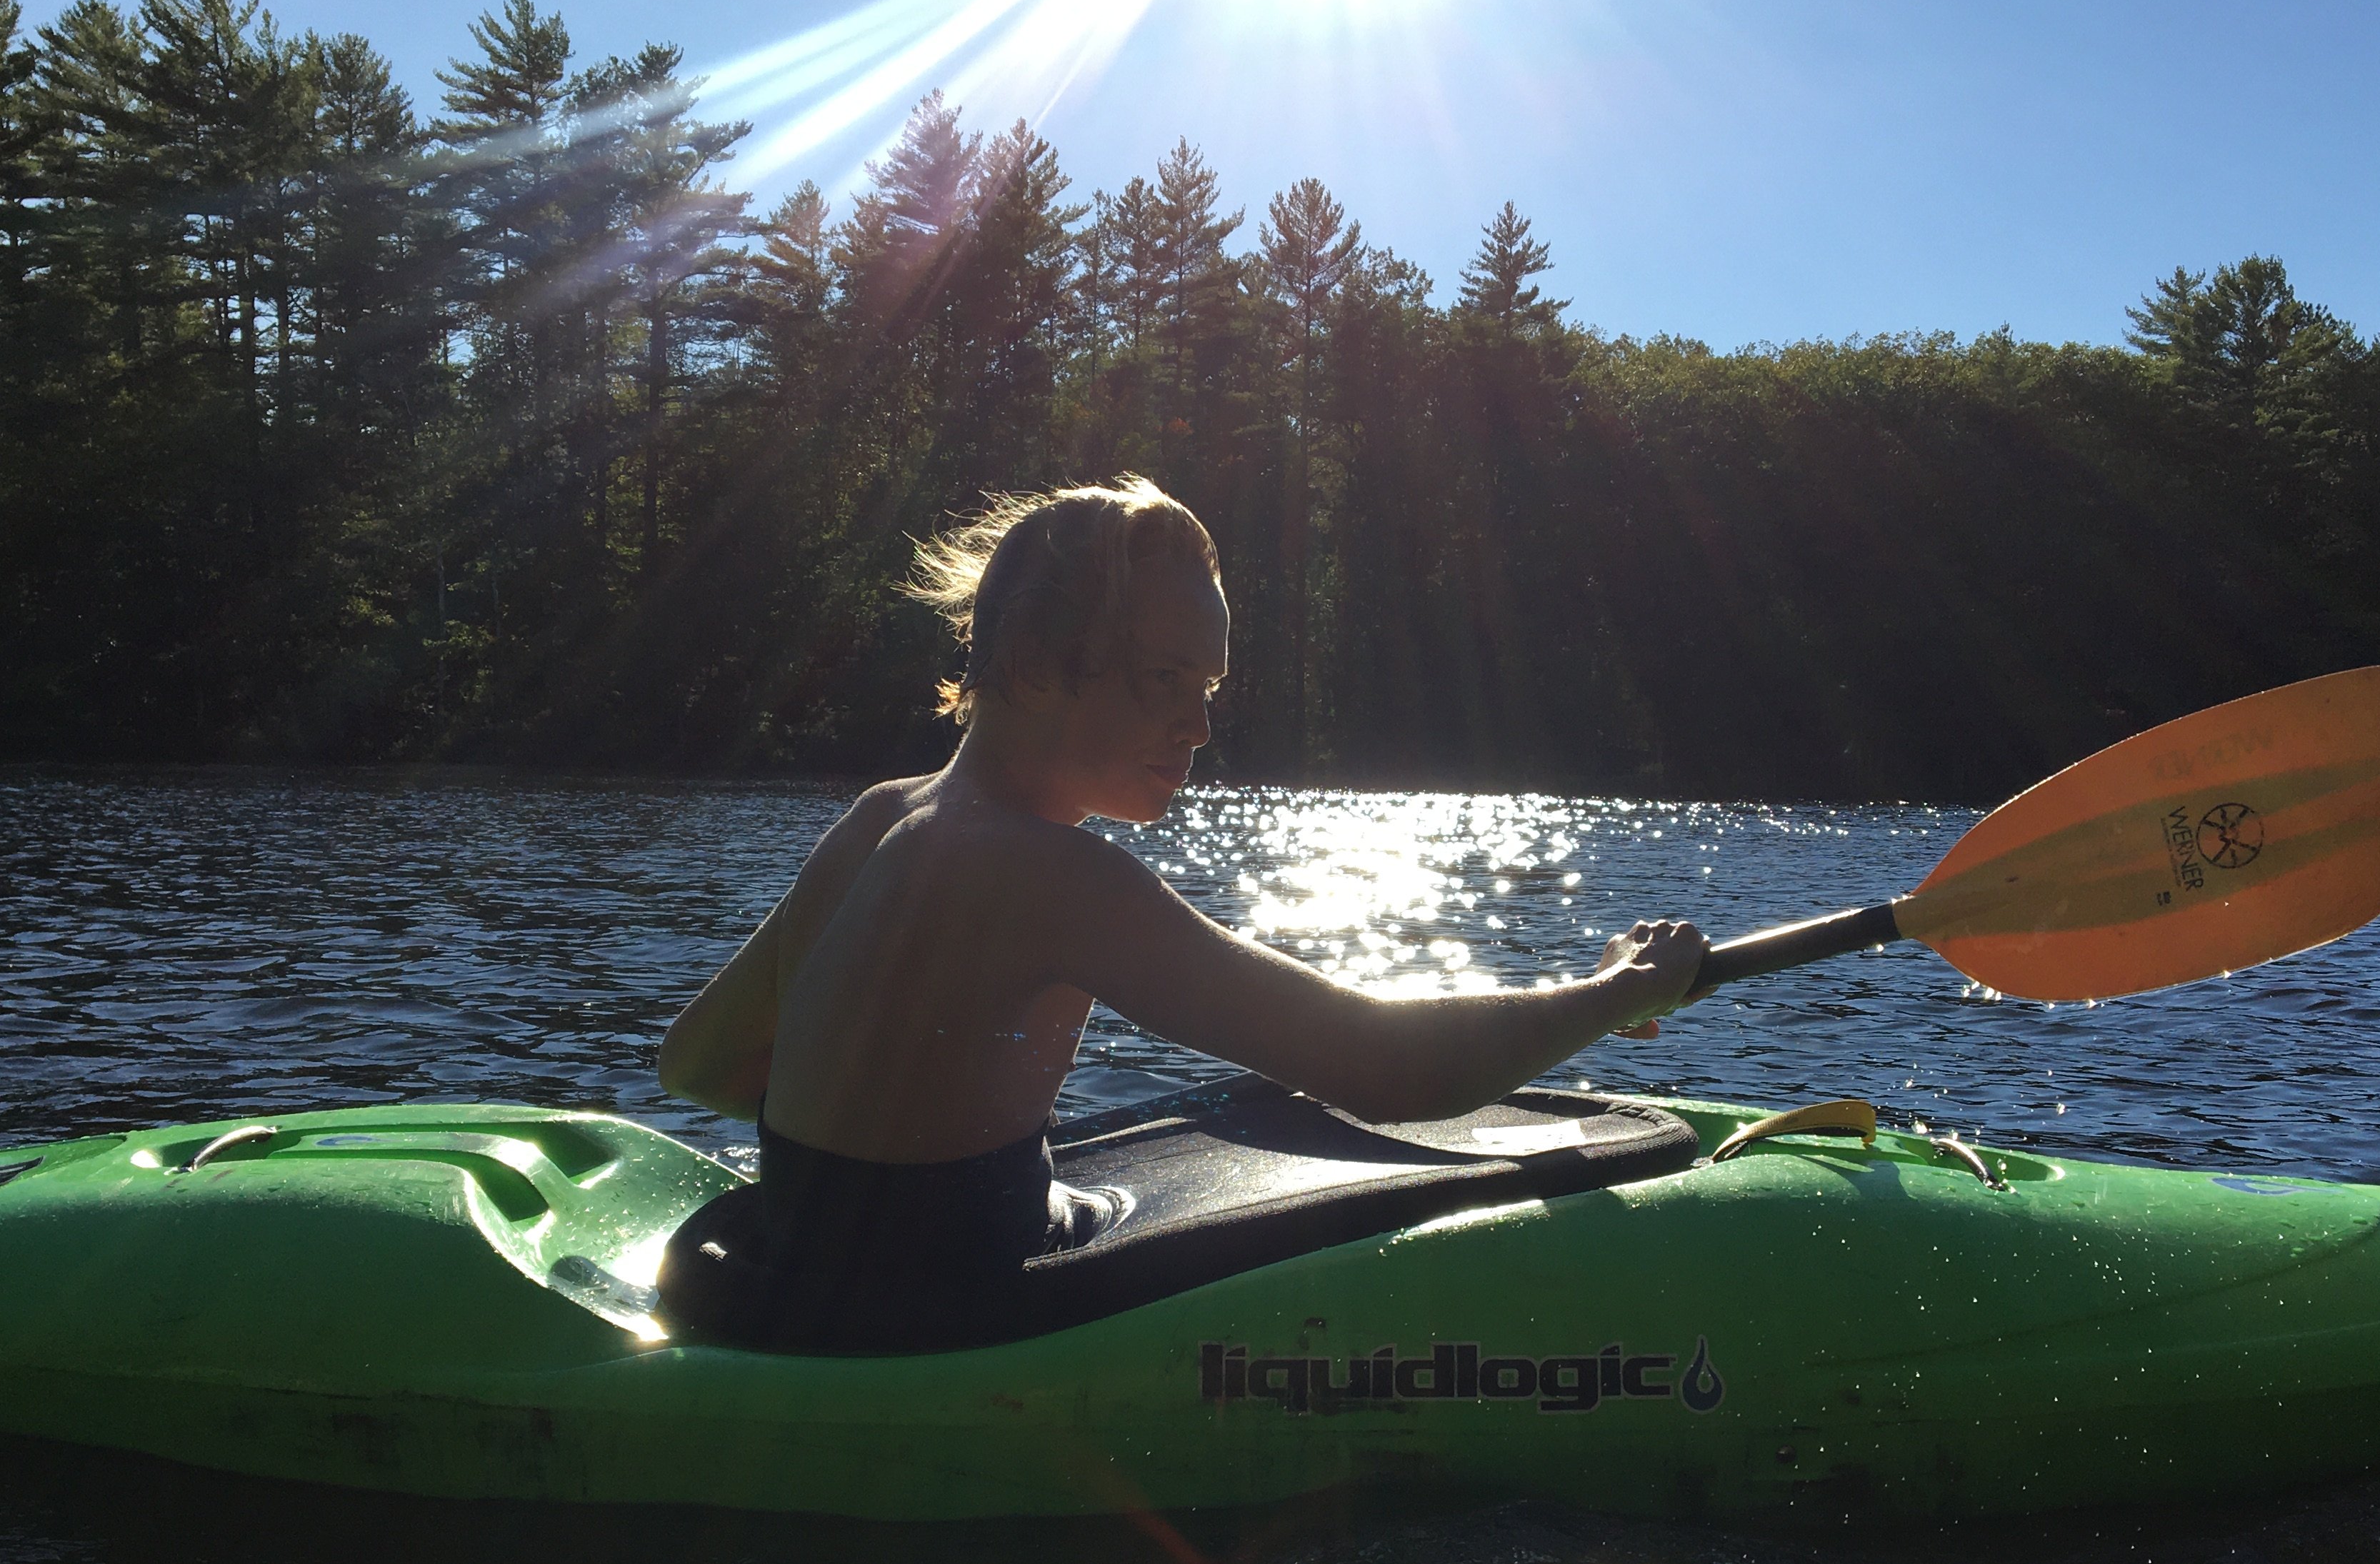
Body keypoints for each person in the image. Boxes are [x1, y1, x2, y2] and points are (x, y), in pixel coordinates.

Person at [656, 475, 1704, 1347]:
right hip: (913, 1333)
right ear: (1029, 665)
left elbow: (695, 1066)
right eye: (1163, 680)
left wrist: (880, 1131)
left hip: (769, 1287)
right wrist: (1615, 994)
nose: (1198, 727)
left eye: (1208, 687)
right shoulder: (1052, 877)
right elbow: (1391, 1070)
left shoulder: (885, 816)